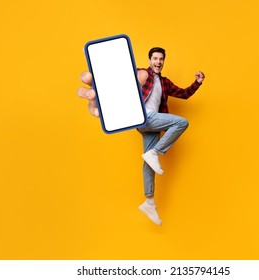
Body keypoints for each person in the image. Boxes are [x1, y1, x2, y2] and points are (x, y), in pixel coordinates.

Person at [78, 47, 205, 225]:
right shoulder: (141, 73)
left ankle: (149, 202)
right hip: (143, 116)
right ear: (150, 60)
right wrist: (99, 75)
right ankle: (155, 152)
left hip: (151, 124)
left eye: (161, 59)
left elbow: (183, 94)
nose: (158, 62)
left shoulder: (165, 83)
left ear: (163, 61)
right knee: (181, 122)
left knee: (148, 161)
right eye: (155, 58)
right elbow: (120, 77)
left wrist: (197, 82)